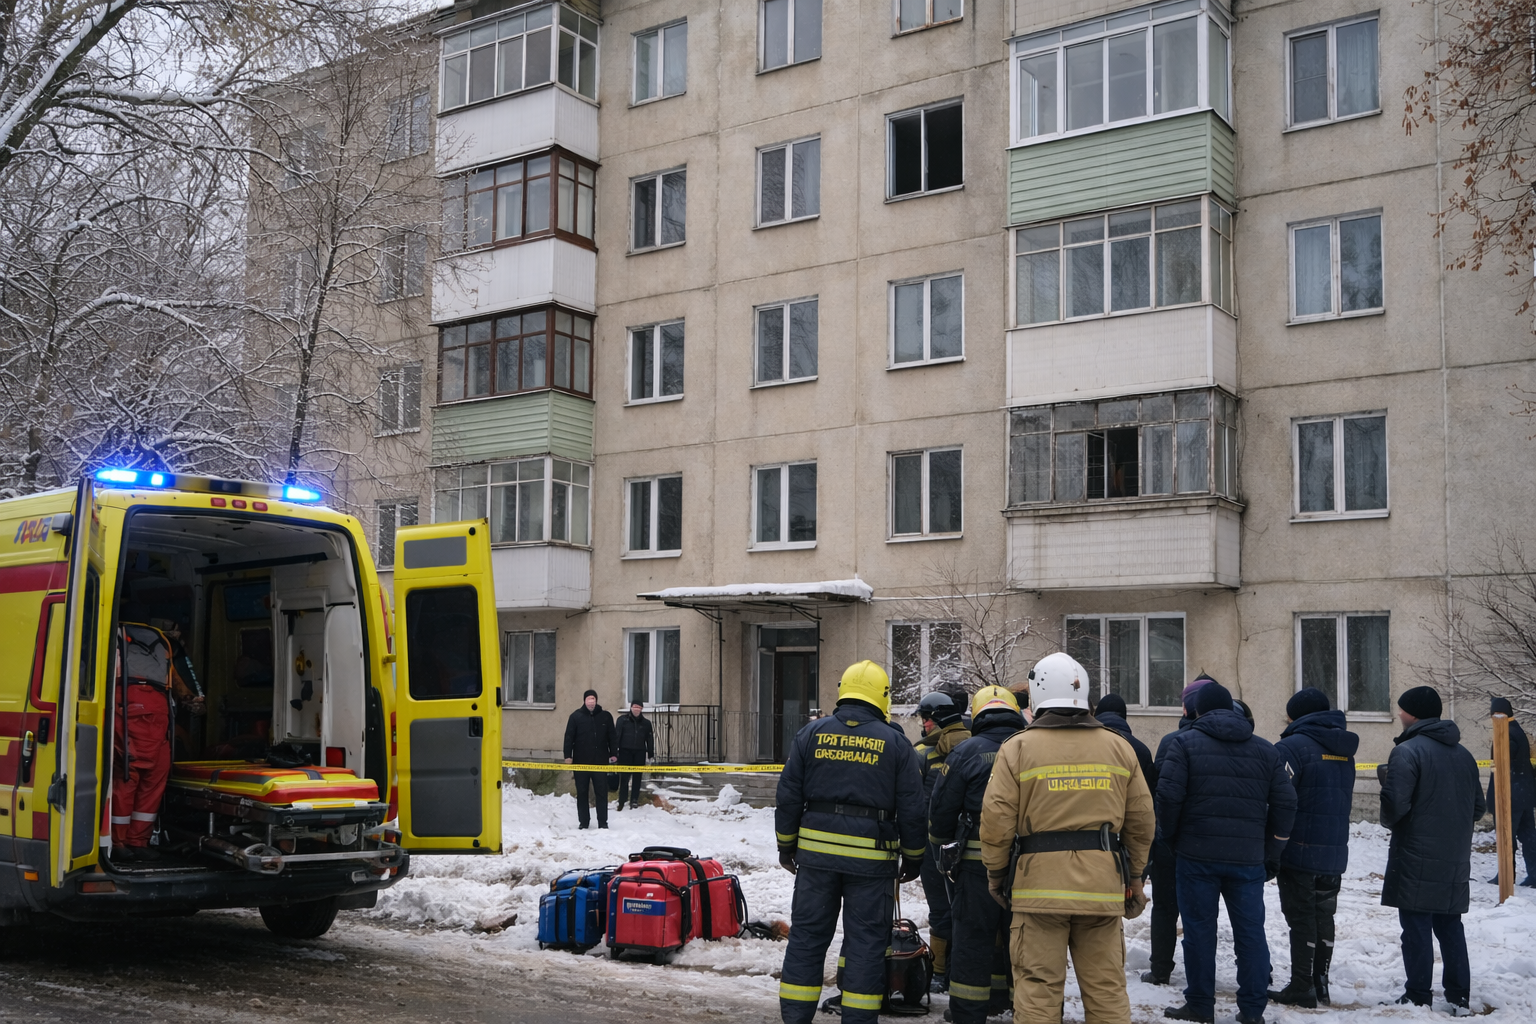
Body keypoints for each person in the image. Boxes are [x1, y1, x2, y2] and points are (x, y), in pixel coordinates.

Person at [979, 653, 1155, 1024]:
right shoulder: (1119, 747)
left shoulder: (1018, 748)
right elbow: (1141, 820)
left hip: (1037, 892)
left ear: (1038, 696)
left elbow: (995, 822)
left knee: (1038, 991)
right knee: (1107, 990)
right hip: (1102, 890)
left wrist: (996, 875)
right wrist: (1135, 877)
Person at [775, 661, 926, 1024]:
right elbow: (913, 806)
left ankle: (795, 1018)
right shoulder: (896, 743)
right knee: (866, 946)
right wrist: (915, 856)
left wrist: (786, 845)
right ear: (882, 696)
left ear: (844, 691)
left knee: (807, 939)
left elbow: (789, 795)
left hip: (815, 862)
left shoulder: (811, 734)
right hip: (872, 866)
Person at [1157, 679, 1295, 1024]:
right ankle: (1252, 1010)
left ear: (1196, 709)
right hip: (1248, 859)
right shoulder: (1266, 750)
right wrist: (1273, 847)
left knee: (1199, 932)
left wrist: (1172, 839)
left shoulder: (1183, 744)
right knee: (1251, 934)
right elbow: (1286, 803)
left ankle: (1201, 1004)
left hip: (1196, 855)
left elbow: (1168, 799)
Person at [1379, 685, 1484, 1013]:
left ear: (1414, 714)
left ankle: (1418, 995)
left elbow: (1395, 805)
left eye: (1402, 710)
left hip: (1415, 854)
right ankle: (1458, 997)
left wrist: (1394, 811)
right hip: (1453, 855)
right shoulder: (1464, 755)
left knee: (1416, 926)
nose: (1398, 714)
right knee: (1450, 925)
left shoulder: (1407, 751)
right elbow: (1478, 808)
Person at [928, 686, 1026, 1023]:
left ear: (978, 715)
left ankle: (968, 1012)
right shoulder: (1033, 749)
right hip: (1027, 866)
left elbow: (941, 811)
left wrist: (941, 846)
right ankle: (1024, 1008)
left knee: (972, 939)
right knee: (1023, 939)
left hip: (975, 866)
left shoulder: (965, 752)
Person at [1268, 687, 1358, 1008]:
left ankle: (1301, 985)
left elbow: (1280, 799)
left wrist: (1272, 843)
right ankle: (1320, 983)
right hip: (1333, 850)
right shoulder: (1345, 750)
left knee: (1301, 916)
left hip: (1299, 849)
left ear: (1296, 716)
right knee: (1324, 915)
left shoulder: (1291, 748)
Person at [1142, 676, 1213, 986]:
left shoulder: (1173, 742)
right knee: (1204, 912)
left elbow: (1161, 793)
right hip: (1211, 842)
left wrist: (1164, 835)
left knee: (1166, 908)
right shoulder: (1241, 738)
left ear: (1186, 708)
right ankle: (1203, 974)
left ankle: (1160, 969)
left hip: (1173, 841)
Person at [112, 620, 202, 860]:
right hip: (154, 721)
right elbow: (177, 684)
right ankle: (130, 841)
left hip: (136, 718)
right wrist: (191, 699)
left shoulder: (116, 640)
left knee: (128, 781)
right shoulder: (161, 645)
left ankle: (125, 841)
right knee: (145, 783)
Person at [914, 688, 970, 990]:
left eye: (925, 719)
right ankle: (960, 968)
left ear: (934, 721)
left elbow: (912, 804)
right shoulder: (972, 746)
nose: (923, 725)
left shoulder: (921, 754)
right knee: (966, 907)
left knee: (940, 909)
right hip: (968, 844)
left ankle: (937, 972)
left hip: (932, 845)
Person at [1485, 697, 1536, 886]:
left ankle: (1505, 875)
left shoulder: (1505, 732)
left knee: (1507, 836)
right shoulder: (1517, 730)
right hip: (1523, 793)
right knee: (1528, 835)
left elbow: (1504, 762)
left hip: (1510, 794)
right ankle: (1534, 874)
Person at [563, 689, 617, 829]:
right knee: (582, 792)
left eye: (593, 699)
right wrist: (568, 756)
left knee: (601, 792)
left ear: (596, 700)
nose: (591, 701)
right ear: (584, 700)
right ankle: (584, 822)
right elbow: (569, 737)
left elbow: (612, 736)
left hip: (600, 761)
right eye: (588, 699)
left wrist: (614, 753)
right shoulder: (576, 717)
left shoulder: (605, 716)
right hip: (581, 762)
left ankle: (602, 822)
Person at [1095, 693, 1157, 790]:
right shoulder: (1140, 750)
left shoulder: (1085, 745)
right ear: (1124, 716)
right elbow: (1148, 792)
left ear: (1097, 714)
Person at [614, 700, 654, 812]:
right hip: (624, 752)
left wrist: (650, 753)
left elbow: (649, 738)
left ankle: (634, 800)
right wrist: (614, 752)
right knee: (624, 778)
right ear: (631, 707)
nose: (636, 709)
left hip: (639, 753)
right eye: (634, 706)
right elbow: (617, 736)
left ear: (641, 709)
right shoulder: (622, 720)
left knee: (637, 778)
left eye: (639, 707)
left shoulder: (646, 723)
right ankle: (622, 801)